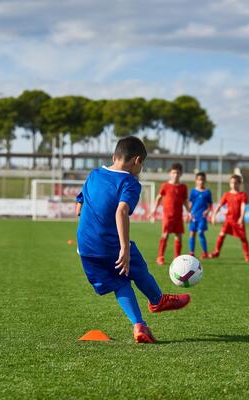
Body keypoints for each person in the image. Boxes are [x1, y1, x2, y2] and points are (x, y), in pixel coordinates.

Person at [76, 136, 190, 343]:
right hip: (109, 244)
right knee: (137, 269)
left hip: (85, 247)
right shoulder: (129, 182)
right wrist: (124, 249)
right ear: (137, 160)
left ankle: (139, 326)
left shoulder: (94, 175)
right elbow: (122, 211)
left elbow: (79, 202)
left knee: (119, 283)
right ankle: (157, 300)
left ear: (114, 156)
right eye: (142, 164)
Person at [152, 163, 188, 265]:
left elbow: (185, 201)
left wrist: (189, 212)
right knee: (165, 235)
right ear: (170, 174)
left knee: (179, 236)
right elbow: (159, 197)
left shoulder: (183, 187)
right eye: (173, 172)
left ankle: (177, 258)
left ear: (181, 174)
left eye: (177, 173)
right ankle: (160, 257)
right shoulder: (165, 185)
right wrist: (154, 209)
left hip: (178, 216)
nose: (175, 174)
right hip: (168, 216)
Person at [210, 174, 249, 262]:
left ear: (239, 184)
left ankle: (247, 255)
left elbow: (243, 206)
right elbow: (219, 205)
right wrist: (213, 215)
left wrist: (241, 217)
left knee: (243, 238)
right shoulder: (227, 194)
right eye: (232, 182)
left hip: (238, 221)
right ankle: (216, 252)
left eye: (235, 183)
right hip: (228, 220)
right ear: (229, 184)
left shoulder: (242, 195)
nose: (233, 184)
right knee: (221, 234)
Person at [188, 172, 213, 259]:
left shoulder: (207, 192)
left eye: (202, 180)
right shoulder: (193, 191)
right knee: (192, 234)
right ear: (196, 181)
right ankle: (191, 252)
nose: (201, 181)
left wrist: (207, 211)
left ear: (205, 180)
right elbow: (190, 203)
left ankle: (205, 252)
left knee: (200, 233)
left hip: (202, 217)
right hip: (194, 216)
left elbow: (210, 205)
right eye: (199, 180)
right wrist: (189, 213)